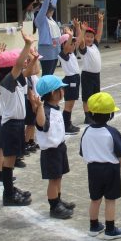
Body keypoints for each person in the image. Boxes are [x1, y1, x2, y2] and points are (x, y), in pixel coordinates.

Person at [80, 92, 121, 240]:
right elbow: (120, 154)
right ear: (110, 115)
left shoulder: (87, 131)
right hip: (110, 168)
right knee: (110, 200)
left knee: (95, 199)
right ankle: (110, 229)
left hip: (93, 168)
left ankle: (94, 226)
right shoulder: (111, 132)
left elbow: (83, 152)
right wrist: (118, 167)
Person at [0, 31, 36, 206]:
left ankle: (10, 189)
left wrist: (33, 58)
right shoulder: (6, 80)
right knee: (10, 159)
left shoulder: (16, 79)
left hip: (17, 124)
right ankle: (8, 194)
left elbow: (29, 70)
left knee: (12, 159)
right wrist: (27, 45)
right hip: (11, 125)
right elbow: (20, 65)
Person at [34, 75, 75, 219]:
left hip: (59, 147)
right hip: (51, 151)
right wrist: (39, 107)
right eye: (61, 89)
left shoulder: (55, 107)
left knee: (59, 177)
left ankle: (58, 200)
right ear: (53, 92)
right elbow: (40, 124)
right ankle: (54, 206)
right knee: (53, 179)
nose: (63, 91)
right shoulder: (45, 110)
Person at [77, 13, 104, 125]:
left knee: (95, 96)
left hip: (96, 75)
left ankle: (93, 114)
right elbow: (81, 41)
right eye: (87, 36)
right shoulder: (84, 49)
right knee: (87, 97)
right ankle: (87, 116)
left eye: (91, 37)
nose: (90, 38)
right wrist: (81, 30)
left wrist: (101, 21)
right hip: (87, 75)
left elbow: (99, 34)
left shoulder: (95, 45)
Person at [59, 21, 82, 134]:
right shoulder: (63, 54)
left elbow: (78, 41)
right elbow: (67, 46)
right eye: (71, 44)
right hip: (70, 80)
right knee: (69, 104)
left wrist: (79, 29)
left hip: (75, 79)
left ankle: (68, 123)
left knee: (71, 104)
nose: (73, 46)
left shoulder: (71, 53)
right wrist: (69, 36)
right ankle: (66, 125)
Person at [34, 0, 61, 75]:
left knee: (51, 74)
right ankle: (45, 90)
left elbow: (52, 2)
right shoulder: (41, 19)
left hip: (55, 50)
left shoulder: (50, 19)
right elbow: (46, 6)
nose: (52, 11)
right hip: (47, 51)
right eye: (51, 10)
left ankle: (49, 90)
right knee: (46, 74)